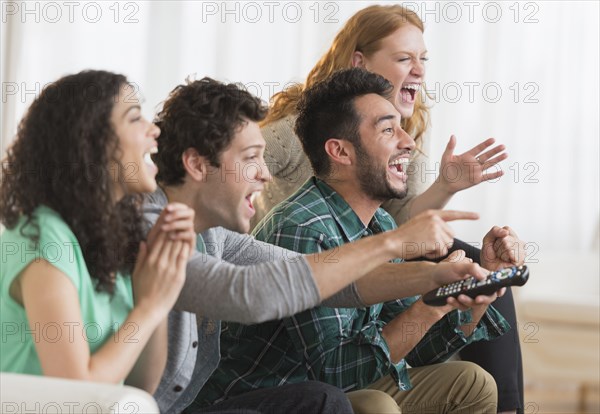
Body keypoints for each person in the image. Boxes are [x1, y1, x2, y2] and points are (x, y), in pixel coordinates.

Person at [144, 77, 496, 414]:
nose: (265, 175)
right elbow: (248, 293)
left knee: (469, 383)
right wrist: (394, 244)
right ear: (196, 164)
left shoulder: (213, 236)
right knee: (327, 400)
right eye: (251, 157)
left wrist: (439, 281)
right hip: (207, 402)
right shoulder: (150, 229)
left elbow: (331, 282)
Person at [253, 5, 523, 413]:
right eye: (403, 57)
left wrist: (473, 296)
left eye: (423, 59)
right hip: (294, 386)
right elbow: (335, 375)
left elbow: (414, 335)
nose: (409, 142)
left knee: (472, 381)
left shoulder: (377, 218)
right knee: (378, 402)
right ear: (339, 151)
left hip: (359, 302)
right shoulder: (301, 215)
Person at [0, 70, 195, 394]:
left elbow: (139, 384)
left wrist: (157, 294)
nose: (154, 129)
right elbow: (76, 391)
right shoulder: (41, 236)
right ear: (90, 141)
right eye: (135, 119)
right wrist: (149, 309)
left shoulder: (107, 239)